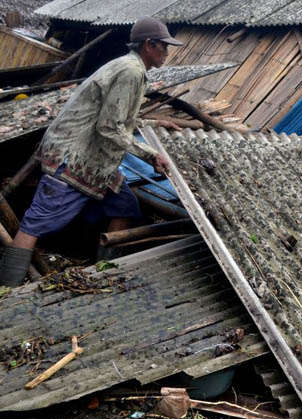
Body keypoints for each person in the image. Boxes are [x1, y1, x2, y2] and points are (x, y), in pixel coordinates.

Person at [0, 17, 184, 287]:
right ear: (149, 45)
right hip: (73, 157)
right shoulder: (130, 71)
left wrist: (156, 123)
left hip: (95, 159)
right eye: (164, 47)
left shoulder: (132, 68)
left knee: (124, 205)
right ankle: (8, 289)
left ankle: (103, 272)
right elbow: (110, 127)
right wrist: (149, 153)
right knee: (37, 222)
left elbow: (118, 118)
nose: (167, 53)